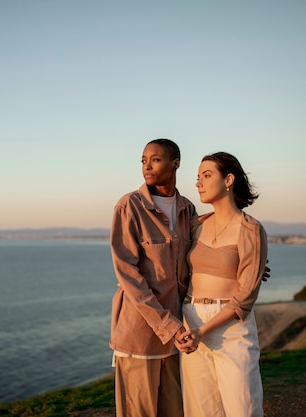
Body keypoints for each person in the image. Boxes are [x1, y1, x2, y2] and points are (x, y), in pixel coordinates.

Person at [175, 152, 268, 417]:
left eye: (206, 175)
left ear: (228, 179)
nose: (198, 183)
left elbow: (246, 294)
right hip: (191, 320)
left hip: (231, 327)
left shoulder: (250, 229)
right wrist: (191, 327)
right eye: (197, 177)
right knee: (201, 411)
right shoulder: (196, 226)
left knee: (243, 408)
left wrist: (203, 330)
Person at [109, 138, 197, 417]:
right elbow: (128, 274)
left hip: (177, 337)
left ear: (176, 163)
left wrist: (250, 263)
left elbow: (202, 256)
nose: (147, 165)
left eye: (156, 159)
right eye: (144, 160)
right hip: (141, 335)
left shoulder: (187, 209)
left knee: (176, 411)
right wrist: (168, 326)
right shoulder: (130, 206)